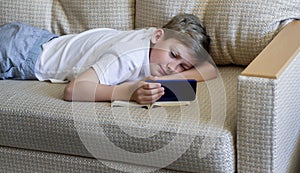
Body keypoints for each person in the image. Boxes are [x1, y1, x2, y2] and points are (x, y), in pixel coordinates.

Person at [0, 13, 217, 104]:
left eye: (183, 66)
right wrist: (127, 92)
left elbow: (210, 69)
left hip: (37, 40)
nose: (172, 67)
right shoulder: (127, 57)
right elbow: (73, 90)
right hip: (19, 53)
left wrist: (163, 82)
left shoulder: (160, 39)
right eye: (173, 56)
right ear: (157, 35)